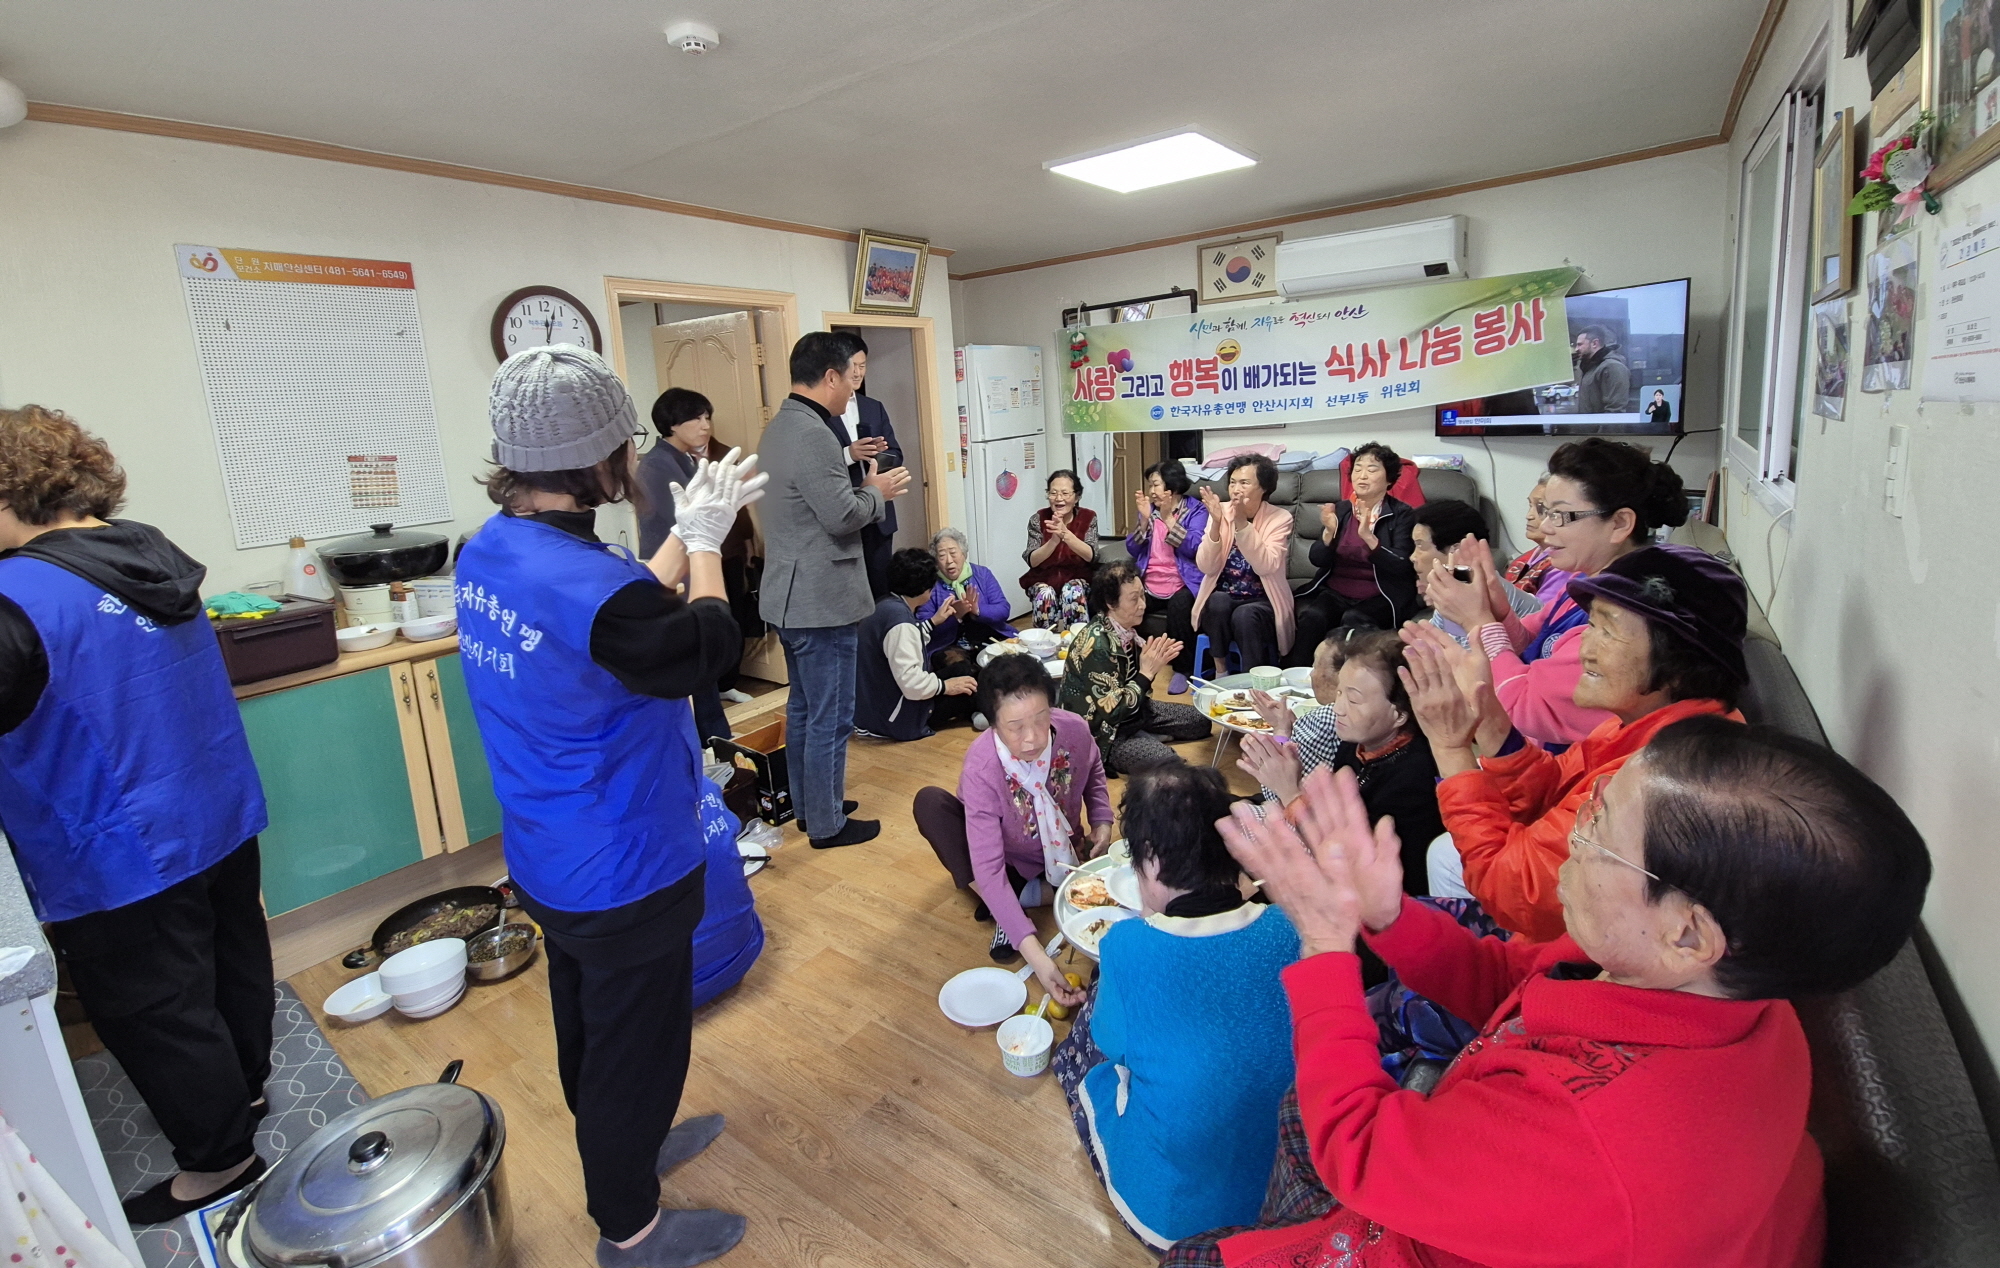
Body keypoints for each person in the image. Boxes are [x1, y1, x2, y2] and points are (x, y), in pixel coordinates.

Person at [1186, 722, 1930, 1268]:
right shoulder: (1723, 991)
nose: (1570, 835)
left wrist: (1324, 945)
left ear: (1687, 933)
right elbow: (1502, 982)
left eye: (1600, 828)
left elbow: (1361, 1149)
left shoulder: (1607, 1148)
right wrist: (1386, 913)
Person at [453, 347, 759, 1268]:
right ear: (601, 462)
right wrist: (705, 539)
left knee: (590, 1023)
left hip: (550, 852)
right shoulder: (597, 593)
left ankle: (625, 1139)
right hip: (624, 859)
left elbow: (618, 606)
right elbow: (704, 641)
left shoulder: (492, 549)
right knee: (639, 1045)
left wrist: (684, 533)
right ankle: (630, 1227)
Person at [0, 405, 273, 1225]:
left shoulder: (17, 599)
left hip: (115, 847)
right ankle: (248, 1093)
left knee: (158, 1013)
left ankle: (219, 1162)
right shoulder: (152, 555)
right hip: (216, 808)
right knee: (232, 965)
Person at [1405, 543, 1748, 941]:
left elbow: (1519, 894)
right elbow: (1552, 789)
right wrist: (1489, 715)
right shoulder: (1649, 722)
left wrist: (1450, 749)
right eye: (1590, 627)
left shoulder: (1663, 783)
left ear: (1678, 660)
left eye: (1608, 631)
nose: (1584, 649)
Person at [1049, 764, 1300, 1251]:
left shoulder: (1127, 945)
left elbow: (1112, 1045)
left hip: (1176, 1222)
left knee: (1084, 1056)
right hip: (1283, 1197)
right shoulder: (1291, 926)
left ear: (1149, 859)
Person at [1423, 437, 1687, 749]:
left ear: (1619, 523)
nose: (1545, 527)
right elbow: (1530, 639)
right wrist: (1496, 606)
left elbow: (1524, 707)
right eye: (1545, 511)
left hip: (1566, 774)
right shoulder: (1586, 581)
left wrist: (1477, 621)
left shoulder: (1624, 622)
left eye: (1561, 515)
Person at [757, 331, 911, 848]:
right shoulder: (812, 433)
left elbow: (804, 499)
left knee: (804, 707)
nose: (853, 390)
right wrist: (876, 491)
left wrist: (847, 460)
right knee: (831, 714)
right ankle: (826, 825)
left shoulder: (782, 426)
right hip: (820, 599)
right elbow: (842, 515)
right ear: (829, 376)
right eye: (851, 377)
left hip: (789, 593)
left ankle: (809, 806)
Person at [912, 653, 1112, 985]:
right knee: (930, 804)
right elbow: (988, 867)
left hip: (1067, 854)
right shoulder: (982, 766)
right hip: (1010, 862)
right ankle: (1021, 903)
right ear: (992, 724)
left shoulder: (1074, 730)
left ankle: (1020, 900)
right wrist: (1040, 963)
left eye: (1040, 719)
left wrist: (1102, 819)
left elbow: (1094, 770)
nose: (1032, 737)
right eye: (1015, 727)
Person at [1237, 631, 1442, 890]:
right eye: (1340, 693)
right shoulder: (1356, 745)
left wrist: (1290, 791)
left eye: (1353, 699)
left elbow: (1353, 866)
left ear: (1400, 714)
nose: (1338, 708)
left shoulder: (1416, 776)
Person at [635, 386, 754, 746]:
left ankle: (716, 735)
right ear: (672, 423)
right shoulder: (656, 463)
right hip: (675, 571)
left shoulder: (687, 458)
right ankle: (712, 739)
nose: (705, 425)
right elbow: (679, 521)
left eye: (707, 417)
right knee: (696, 652)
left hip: (694, 564)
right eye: (696, 418)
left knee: (706, 649)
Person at [1057, 560, 1211, 774]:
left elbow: (1139, 693)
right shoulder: (1097, 645)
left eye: (1142, 595)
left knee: (1201, 721)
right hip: (1105, 732)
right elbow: (1113, 712)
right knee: (1168, 764)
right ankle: (1133, 746)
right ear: (1111, 603)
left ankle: (1145, 736)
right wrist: (1146, 673)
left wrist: (1150, 667)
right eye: (1133, 599)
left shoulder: (1128, 631)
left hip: (1134, 713)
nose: (1143, 605)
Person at [1290, 442, 1417, 663]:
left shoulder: (1402, 514)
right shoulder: (1341, 510)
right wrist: (1329, 533)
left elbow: (1402, 565)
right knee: (1313, 616)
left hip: (1380, 594)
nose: (1362, 475)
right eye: (1357, 469)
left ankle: (1348, 682)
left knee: (1354, 618)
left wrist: (1369, 537)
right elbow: (1316, 559)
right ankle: (1296, 677)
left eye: (1372, 469)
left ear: (1389, 479)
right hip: (1336, 592)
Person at [854, 548, 978, 741]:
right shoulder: (901, 623)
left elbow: (902, 643)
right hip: (898, 718)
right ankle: (982, 712)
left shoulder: (884, 606)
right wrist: (945, 686)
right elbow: (911, 684)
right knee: (971, 689)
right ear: (926, 589)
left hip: (874, 709)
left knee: (962, 670)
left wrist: (933, 622)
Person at [1192, 454, 1294, 674]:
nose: (1236, 489)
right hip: (1226, 597)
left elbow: (1265, 566)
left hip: (1262, 601)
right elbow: (1206, 567)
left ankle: (1252, 682)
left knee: (1245, 615)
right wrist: (1216, 524)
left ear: (1263, 488)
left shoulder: (1280, 518)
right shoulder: (1220, 511)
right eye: (1232, 482)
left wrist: (1240, 523)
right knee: (1217, 600)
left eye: (1244, 483)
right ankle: (1221, 672)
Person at [1409, 498, 1541, 647]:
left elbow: (1480, 662)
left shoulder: (1489, 594)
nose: (1412, 557)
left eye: (1420, 546)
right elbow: (1432, 641)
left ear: (1457, 550)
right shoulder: (1454, 588)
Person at [831, 333, 905, 598]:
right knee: (849, 591)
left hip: (880, 512)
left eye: (864, 366)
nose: (859, 372)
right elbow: (817, 461)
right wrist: (849, 454)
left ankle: (882, 637)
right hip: (845, 511)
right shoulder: (822, 411)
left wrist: (881, 455)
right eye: (854, 366)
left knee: (880, 586)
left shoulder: (873, 407)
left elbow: (896, 453)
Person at [1125, 460, 1207, 694]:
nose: (1151, 491)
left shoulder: (1196, 510)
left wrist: (1168, 518)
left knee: (1181, 606)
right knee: (1124, 600)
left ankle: (1182, 670)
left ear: (1172, 486)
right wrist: (1143, 520)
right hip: (1149, 582)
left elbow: (1194, 548)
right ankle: (1126, 661)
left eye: (1156, 485)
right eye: (1150, 485)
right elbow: (1133, 550)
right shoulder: (1148, 510)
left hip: (1183, 582)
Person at [916, 526, 1015, 656]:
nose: (949, 561)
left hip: (990, 637)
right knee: (959, 668)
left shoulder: (982, 574)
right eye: (942, 556)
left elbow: (1003, 610)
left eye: (953, 553)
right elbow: (925, 628)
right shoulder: (930, 584)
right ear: (936, 561)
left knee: (1009, 662)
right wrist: (955, 616)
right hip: (949, 646)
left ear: (963, 554)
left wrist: (977, 610)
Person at [1021, 468, 1099, 630]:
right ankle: (1045, 644)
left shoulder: (1088, 517)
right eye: (1053, 493)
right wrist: (1054, 540)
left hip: (1078, 578)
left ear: (1077, 497)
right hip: (1044, 578)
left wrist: (1065, 534)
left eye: (1065, 493)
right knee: (1045, 594)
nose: (1058, 498)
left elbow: (1091, 555)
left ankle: (1076, 642)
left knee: (1072, 590)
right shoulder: (1038, 519)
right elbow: (1033, 561)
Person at [1502, 475, 1562, 598]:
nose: (1529, 516)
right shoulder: (1526, 557)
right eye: (1530, 506)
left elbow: (1541, 614)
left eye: (1542, 509)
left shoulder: (1561, 567)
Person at [1572, 324, 1631, 415]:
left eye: (1580, 344)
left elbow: (1615, 412)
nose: (1576, 349)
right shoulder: (1591, 368)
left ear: (1595, 343)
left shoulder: (1612, 367)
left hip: (1598, 429)